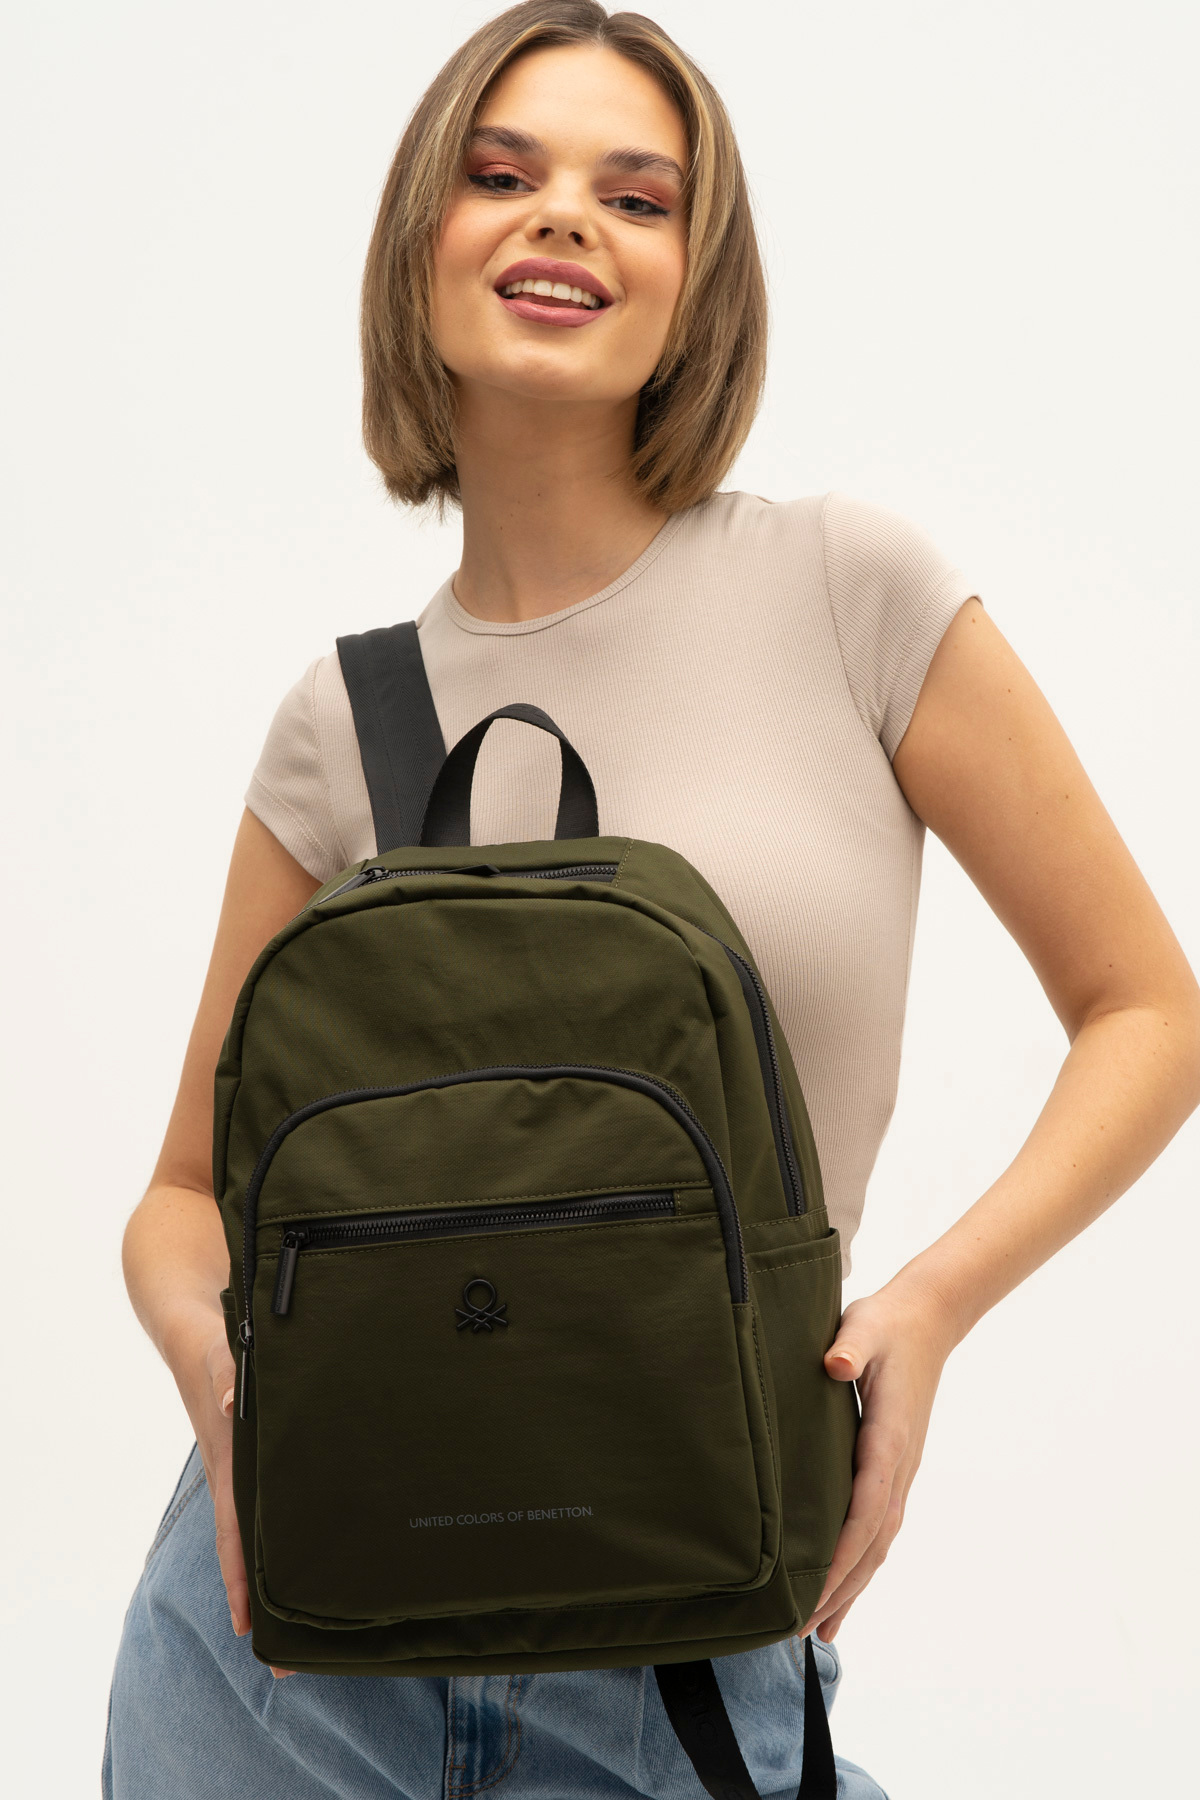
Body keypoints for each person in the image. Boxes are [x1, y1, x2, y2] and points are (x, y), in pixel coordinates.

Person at [104, 4, 1200, 1797]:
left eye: (638, 195)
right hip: (285, 1672)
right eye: (503, 174)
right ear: (423, 241)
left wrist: (925, 1310)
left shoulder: (847, 591)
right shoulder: (344, 719)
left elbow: (1148, 1010)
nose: (564, 217)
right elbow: (178, 1197)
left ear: (699, 283)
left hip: (682, 1648)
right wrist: (229, 1399)